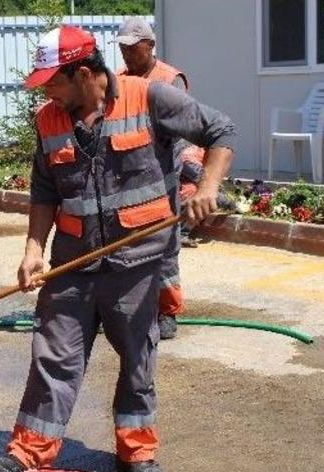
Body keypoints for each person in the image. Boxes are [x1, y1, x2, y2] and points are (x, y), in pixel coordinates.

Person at [0, 26, 236, 472]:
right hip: (73, 260)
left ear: (82, 74)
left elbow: (220, 132)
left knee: (138, 356)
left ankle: (136, 452)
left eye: (52, 83)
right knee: (52, 354)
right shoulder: (48, 120)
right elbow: (44, 189)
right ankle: (30, 450)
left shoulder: (150, 98)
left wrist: (208, 187)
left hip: (137, 261)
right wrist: (33, 249)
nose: (48, 94)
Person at [114, 16, 200, 339]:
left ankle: (167, 312)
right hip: (129, 176)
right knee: (128, 247)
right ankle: (131, 306)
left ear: (149, 46)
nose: (126, 55)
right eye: (122, 49)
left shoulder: (168, 79)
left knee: (165, 248)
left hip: (164, 177)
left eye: (132, 49)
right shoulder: (118, 80)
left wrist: (190, 176)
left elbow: (184, 133)